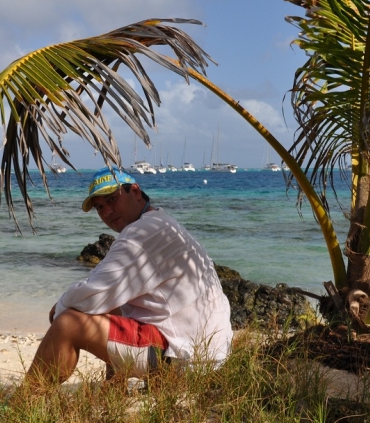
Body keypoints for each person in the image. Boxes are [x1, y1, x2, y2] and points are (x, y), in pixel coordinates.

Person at [24, 165, 232, 387]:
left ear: (135, 191)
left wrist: (62, 305)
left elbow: (95, 293)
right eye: (99, 207)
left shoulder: (141, 233)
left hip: (186, 360)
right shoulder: (161, 223)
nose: (106, 212)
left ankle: (22, 403)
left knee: (68, 324)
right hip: (210, 356)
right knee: (113, 304)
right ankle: (114, 389)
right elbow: (107, 287)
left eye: (112, 200)